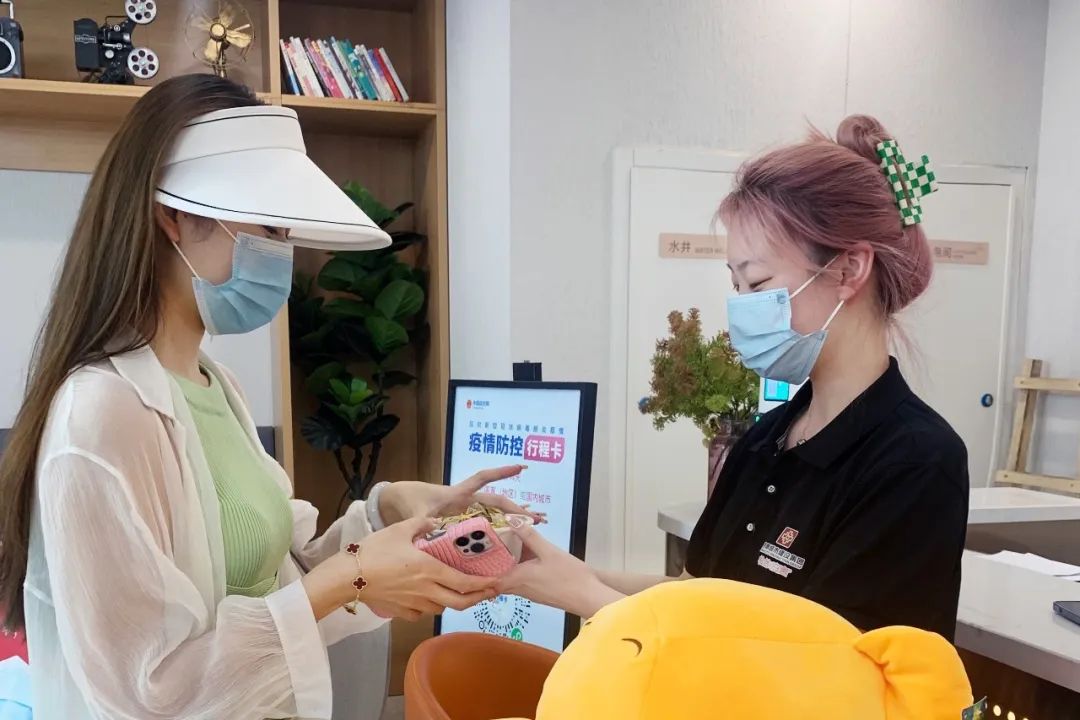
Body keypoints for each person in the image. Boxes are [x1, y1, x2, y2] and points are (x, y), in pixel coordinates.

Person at [0, 74, 536, 720]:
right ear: (173, 216)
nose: (283, 254)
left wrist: (388, 510)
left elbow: (286, 571)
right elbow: (149, 694)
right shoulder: (101, 416)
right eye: (270, 226)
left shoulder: (214, 386)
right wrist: (353, 575)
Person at [499, 114, 970, 641]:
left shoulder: (915, 463)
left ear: (849, 270)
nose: (742, 308)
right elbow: (696, 593)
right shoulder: (766, 440)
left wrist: (585, 597)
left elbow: (818, 667)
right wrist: (565, 575)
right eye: (737, 286)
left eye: (759, 283)